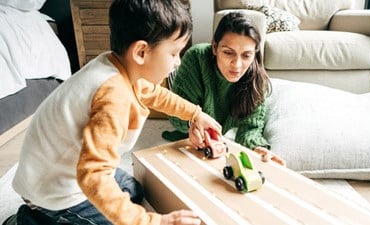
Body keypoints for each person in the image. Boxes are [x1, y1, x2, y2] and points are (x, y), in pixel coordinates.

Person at [4, 0, 222, 225]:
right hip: (53, 190)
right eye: (174, 53)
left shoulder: (122, 68)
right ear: (141, 52)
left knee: (133, 192)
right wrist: (155, 222)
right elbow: (93, 176)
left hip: (63, 169)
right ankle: (28, 219)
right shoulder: (112, 96)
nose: (177, 62)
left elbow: (157, 95)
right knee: (120, 218)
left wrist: (196, 114)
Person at [162, 12, 285, 166]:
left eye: (246, 55)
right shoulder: (196, 58)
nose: (237, 65)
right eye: (228, 53)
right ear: (215, 47)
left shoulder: (257, 79)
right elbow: (176, 115)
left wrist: (257, 148)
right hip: (186, 101)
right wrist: (192, 123)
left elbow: (250, 128)